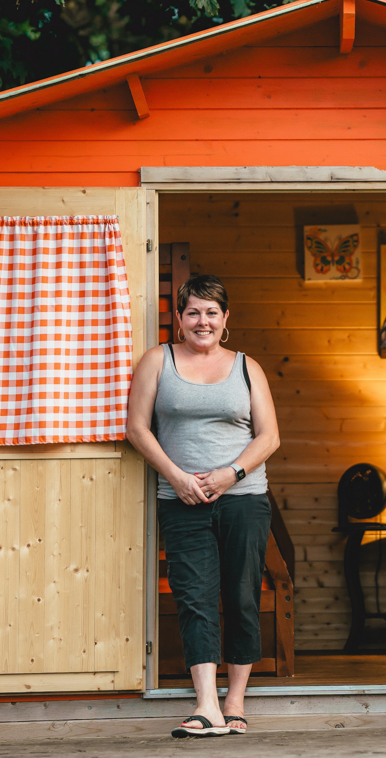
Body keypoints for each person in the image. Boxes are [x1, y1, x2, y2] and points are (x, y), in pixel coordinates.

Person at [126, 275, 280, 738]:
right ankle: (207, 705)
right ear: (179, 317)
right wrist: (176, 477)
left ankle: (235, 700)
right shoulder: (158, 360)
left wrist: (230, 473)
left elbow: (269, 436)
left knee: (241, 596)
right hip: (182, 501)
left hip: (243, 500)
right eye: (193, 312)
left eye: (211, 312)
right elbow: (137, 428)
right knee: (194, 598)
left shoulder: (247, 367)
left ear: (225, 318)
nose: (202, 321)